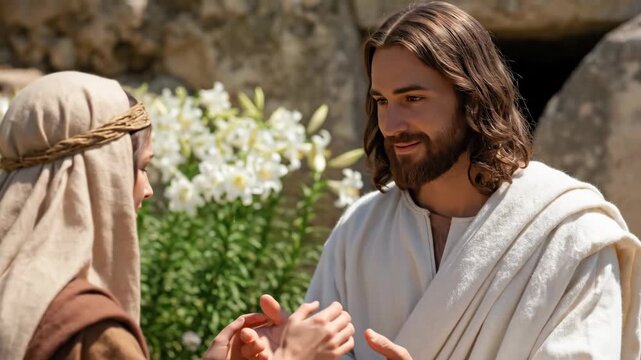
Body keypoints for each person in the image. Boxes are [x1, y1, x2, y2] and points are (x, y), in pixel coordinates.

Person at [242, 2, 641, 359]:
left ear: (473, 98)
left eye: (412, 99)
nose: (390, 125)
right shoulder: (359, 231)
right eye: (382, 101)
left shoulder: (571, 234)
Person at [0, 71, 354, 359]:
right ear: (100, 174)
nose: (148, 189)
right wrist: (291, 356)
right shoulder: (90, 332)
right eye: (141, 168)